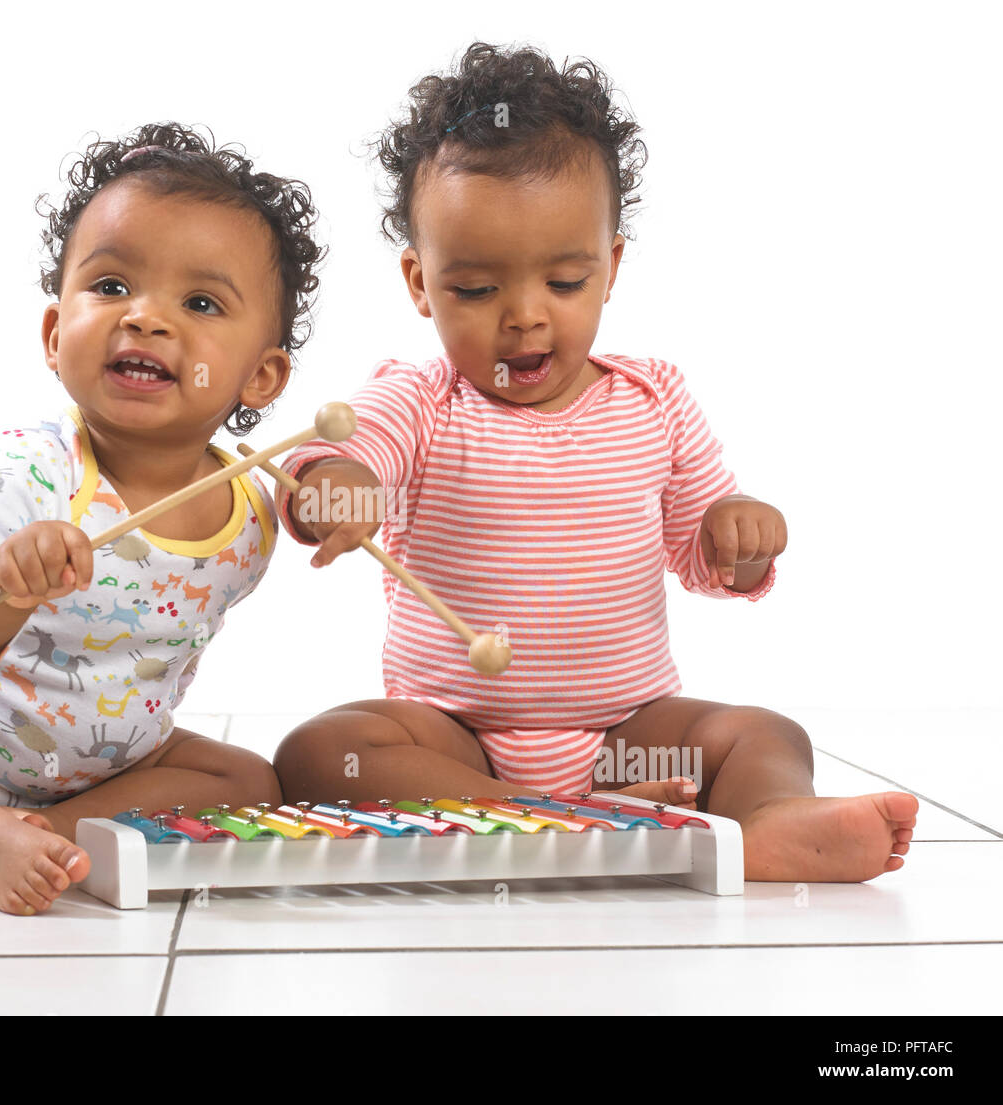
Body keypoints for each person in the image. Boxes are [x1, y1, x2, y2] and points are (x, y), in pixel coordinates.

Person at [272, 43, 917, 883]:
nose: (525, 318)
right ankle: (539, 818)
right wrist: (336, 488)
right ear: (419, 282)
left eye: (566, 280)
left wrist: (740, 535)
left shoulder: (654, 401)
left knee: (765, 733)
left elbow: (705, 556)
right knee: (323, 750)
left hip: (625, 733)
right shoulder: (423, 403)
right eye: (475, 289)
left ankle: (765, 819)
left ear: (610, 267)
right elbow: (340, 454)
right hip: (455, 738)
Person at [0, 123, 323, 915]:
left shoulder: (252, 510)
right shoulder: (27, 469)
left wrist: (339, 503)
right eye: (111, 287)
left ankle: (43, 834)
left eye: (201, 302)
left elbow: (332, 486)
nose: (144, 318)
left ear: (263, 376)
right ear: (54, 333)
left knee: (249, 781)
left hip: (100, 772)